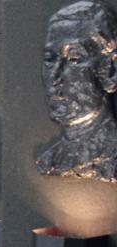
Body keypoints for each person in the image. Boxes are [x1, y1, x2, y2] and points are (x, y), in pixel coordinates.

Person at [36, 0, 117, 181]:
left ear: (111, 71)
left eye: (74, 58)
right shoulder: (48, 160)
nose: (55, 76)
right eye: (50, 59)